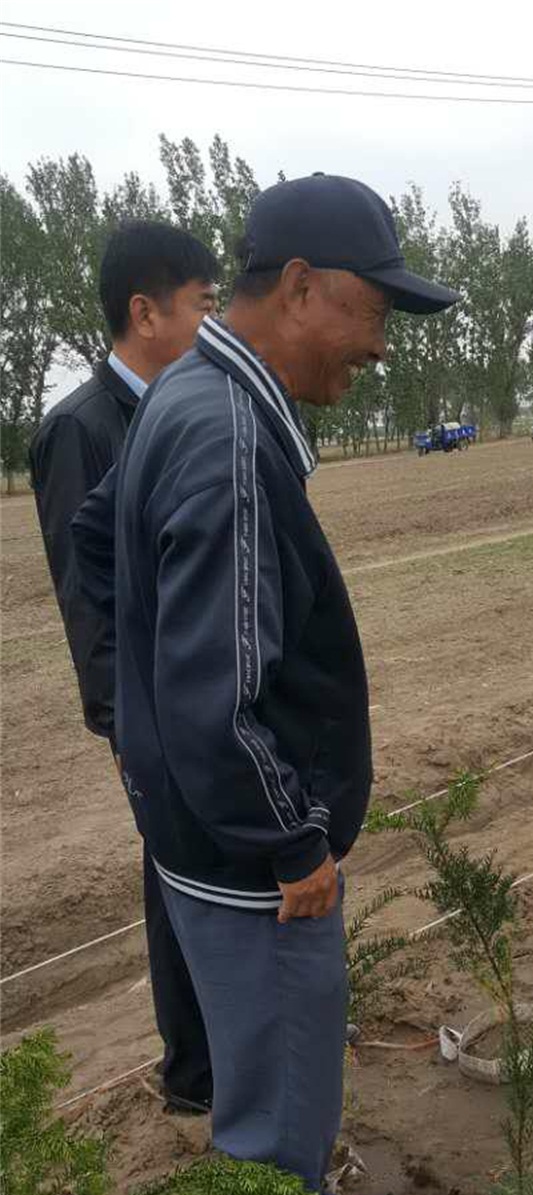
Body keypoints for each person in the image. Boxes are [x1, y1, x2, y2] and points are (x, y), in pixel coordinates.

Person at [74, 174, 459, 1195]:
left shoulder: (185, 393)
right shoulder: (228, 435)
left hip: (199, 827)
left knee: (274, 1062)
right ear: (298, 287)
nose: (380, 345)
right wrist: (293, 841)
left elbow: (97, 540)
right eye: (372, 311)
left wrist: (141, 715)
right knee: (278, 1076)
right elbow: (223, 697)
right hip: (250, 852)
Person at [30, 221, 220, 1115]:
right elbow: (87, 598)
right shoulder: (81, 429)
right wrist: (120, 725)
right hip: (150, 708)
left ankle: (227, 1050)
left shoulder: (188, 405)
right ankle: (194, 1078)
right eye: (204, 305)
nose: (215, 323)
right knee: (176, 874)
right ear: (146, 313)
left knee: (217, 866)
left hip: (205, 693)